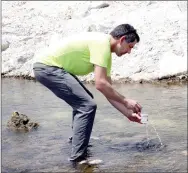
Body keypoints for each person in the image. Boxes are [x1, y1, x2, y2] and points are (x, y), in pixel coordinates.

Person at [33, 23, 142, 163]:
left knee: (86, 102)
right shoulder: (101, 44)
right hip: (47, 67)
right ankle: (78, 159)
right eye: (130, 47)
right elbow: (100, 84)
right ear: (122, 40)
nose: (129, 52)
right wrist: (126, 101)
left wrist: (128, 113)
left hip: (51, 68)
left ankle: (77, 143)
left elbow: (107, 89)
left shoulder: (106, 52)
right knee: (87, 105)